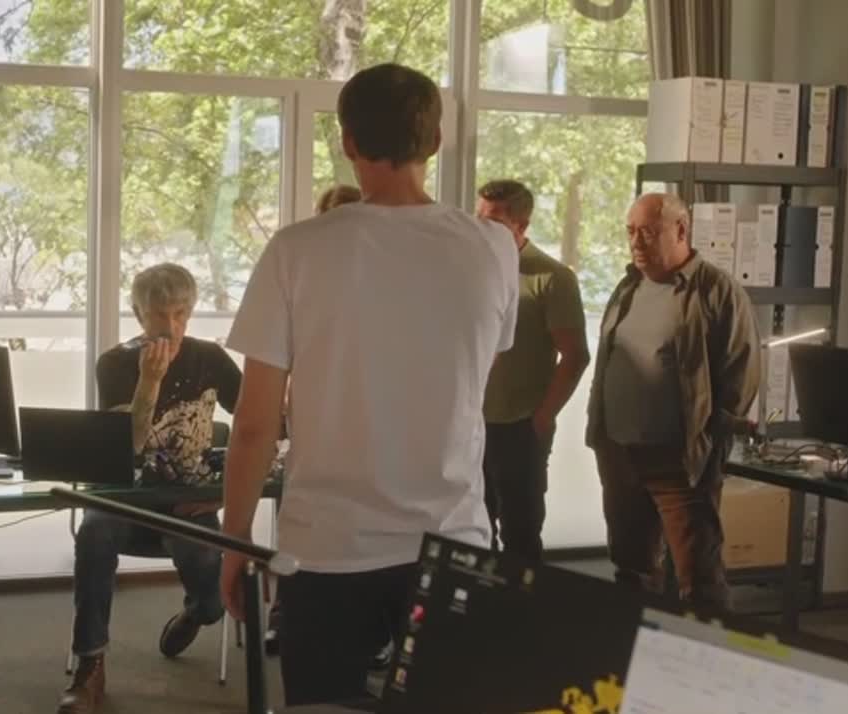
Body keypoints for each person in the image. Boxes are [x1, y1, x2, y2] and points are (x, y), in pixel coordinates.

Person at [219, 63, 519, 706]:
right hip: (452, 539)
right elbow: (476, 375)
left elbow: (255, 422)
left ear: (348, 141)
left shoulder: (296, 250)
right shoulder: (495, 247)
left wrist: (236, 536)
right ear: (435, 141)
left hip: (327, 545)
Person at [58, 263, 242, 714]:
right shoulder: (115, 363)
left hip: (188, 499)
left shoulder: (211, 359)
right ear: (139, 315)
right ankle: (90, 665)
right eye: (160, 315)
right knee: (94, 533)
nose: (171, 326)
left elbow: (261, 426)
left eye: (181, 314)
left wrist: (223, 492)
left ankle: (196, 612)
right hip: (124, 495)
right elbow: (130, 446)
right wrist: (150, 382)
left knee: (213, 602)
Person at [586, 192, 760, 610]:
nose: (636, 241)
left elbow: (741, 375)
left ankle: (704, 649)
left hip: (680, 463)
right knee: (632, 569)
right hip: (621, 456)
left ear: (681, 230)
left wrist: (710, 446)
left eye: (647, 232)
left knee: (698, 579)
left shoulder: (716, 290)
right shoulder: (628, 286)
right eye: (630, 231)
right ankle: (636, 644)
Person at [263, 181, 364, 660]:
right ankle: (283, 614)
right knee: (297, 520)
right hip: (308, 430)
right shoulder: (300, 266)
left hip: (359, 433)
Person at [476, 179, 590, 561]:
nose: (482, 228)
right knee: (474, 529)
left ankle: (519, 599)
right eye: (479, 218)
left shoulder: (551, 277)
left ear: (521, 225)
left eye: (493, 221)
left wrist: (542, 418)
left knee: (521, 533)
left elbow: (575, 356)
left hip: (520, 426)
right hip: (473, 424)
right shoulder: (473, 270)